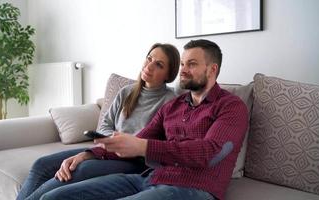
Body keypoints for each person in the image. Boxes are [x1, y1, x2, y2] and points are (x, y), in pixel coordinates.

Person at [38, 39, 249, 200]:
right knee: (54, 197)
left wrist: (144, 147)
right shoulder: (173, 106)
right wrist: (87, 154)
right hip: (150, 178)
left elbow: (209, 153)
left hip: (193, 188)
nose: (183, 70)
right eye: (183, 63)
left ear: (212, 69)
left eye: (191, 64)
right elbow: (137, 140)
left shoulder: (231, 107)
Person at [16, 43, 180, 200]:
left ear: (169, 74)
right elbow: (104, 125)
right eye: (149, 58)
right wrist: (114, 141)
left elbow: (159, 145)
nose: (149, 66)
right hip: (105, 150)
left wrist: (124, 143)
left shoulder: (170, 102)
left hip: (135, 162)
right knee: (41, 164)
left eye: (159, 65)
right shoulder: (127, 92)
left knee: (79, 169)